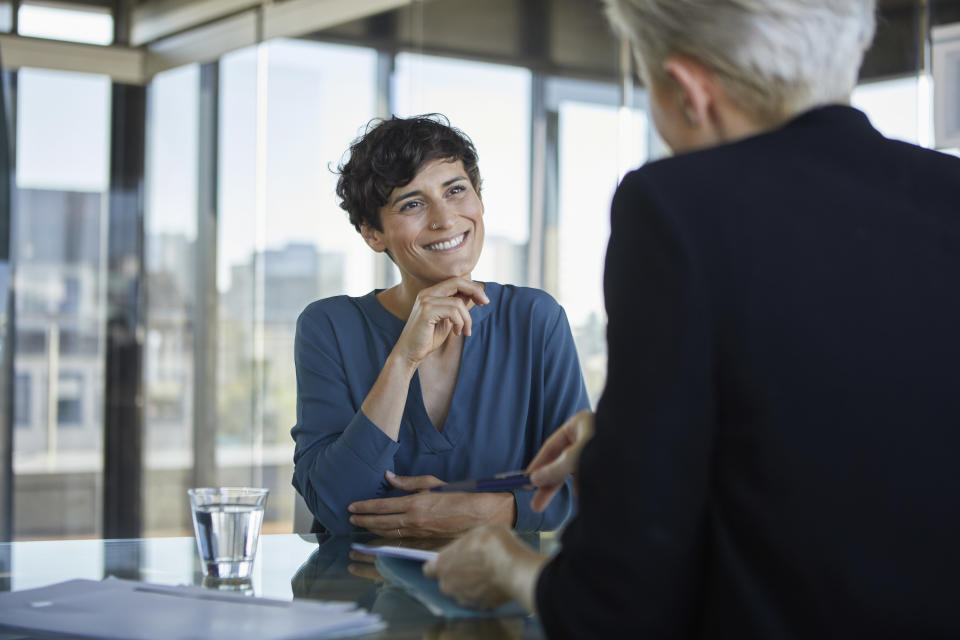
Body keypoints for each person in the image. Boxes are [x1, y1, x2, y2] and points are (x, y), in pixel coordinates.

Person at [424, 0, 960, 637]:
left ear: (687, 92)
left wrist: (511, 569)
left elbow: (617, 603)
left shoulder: (675, 206)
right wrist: (638, 438)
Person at [291, 114, 589, 537]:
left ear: (479, 200)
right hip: (358, 595)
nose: (445, 219)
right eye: (412, 203)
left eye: (455, 191)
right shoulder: (329, 327)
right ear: (373, 234)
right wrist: (403, 359)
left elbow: (581, 486)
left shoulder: (534, 319)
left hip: (499, 592)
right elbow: (337, 504)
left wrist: (471, 510)